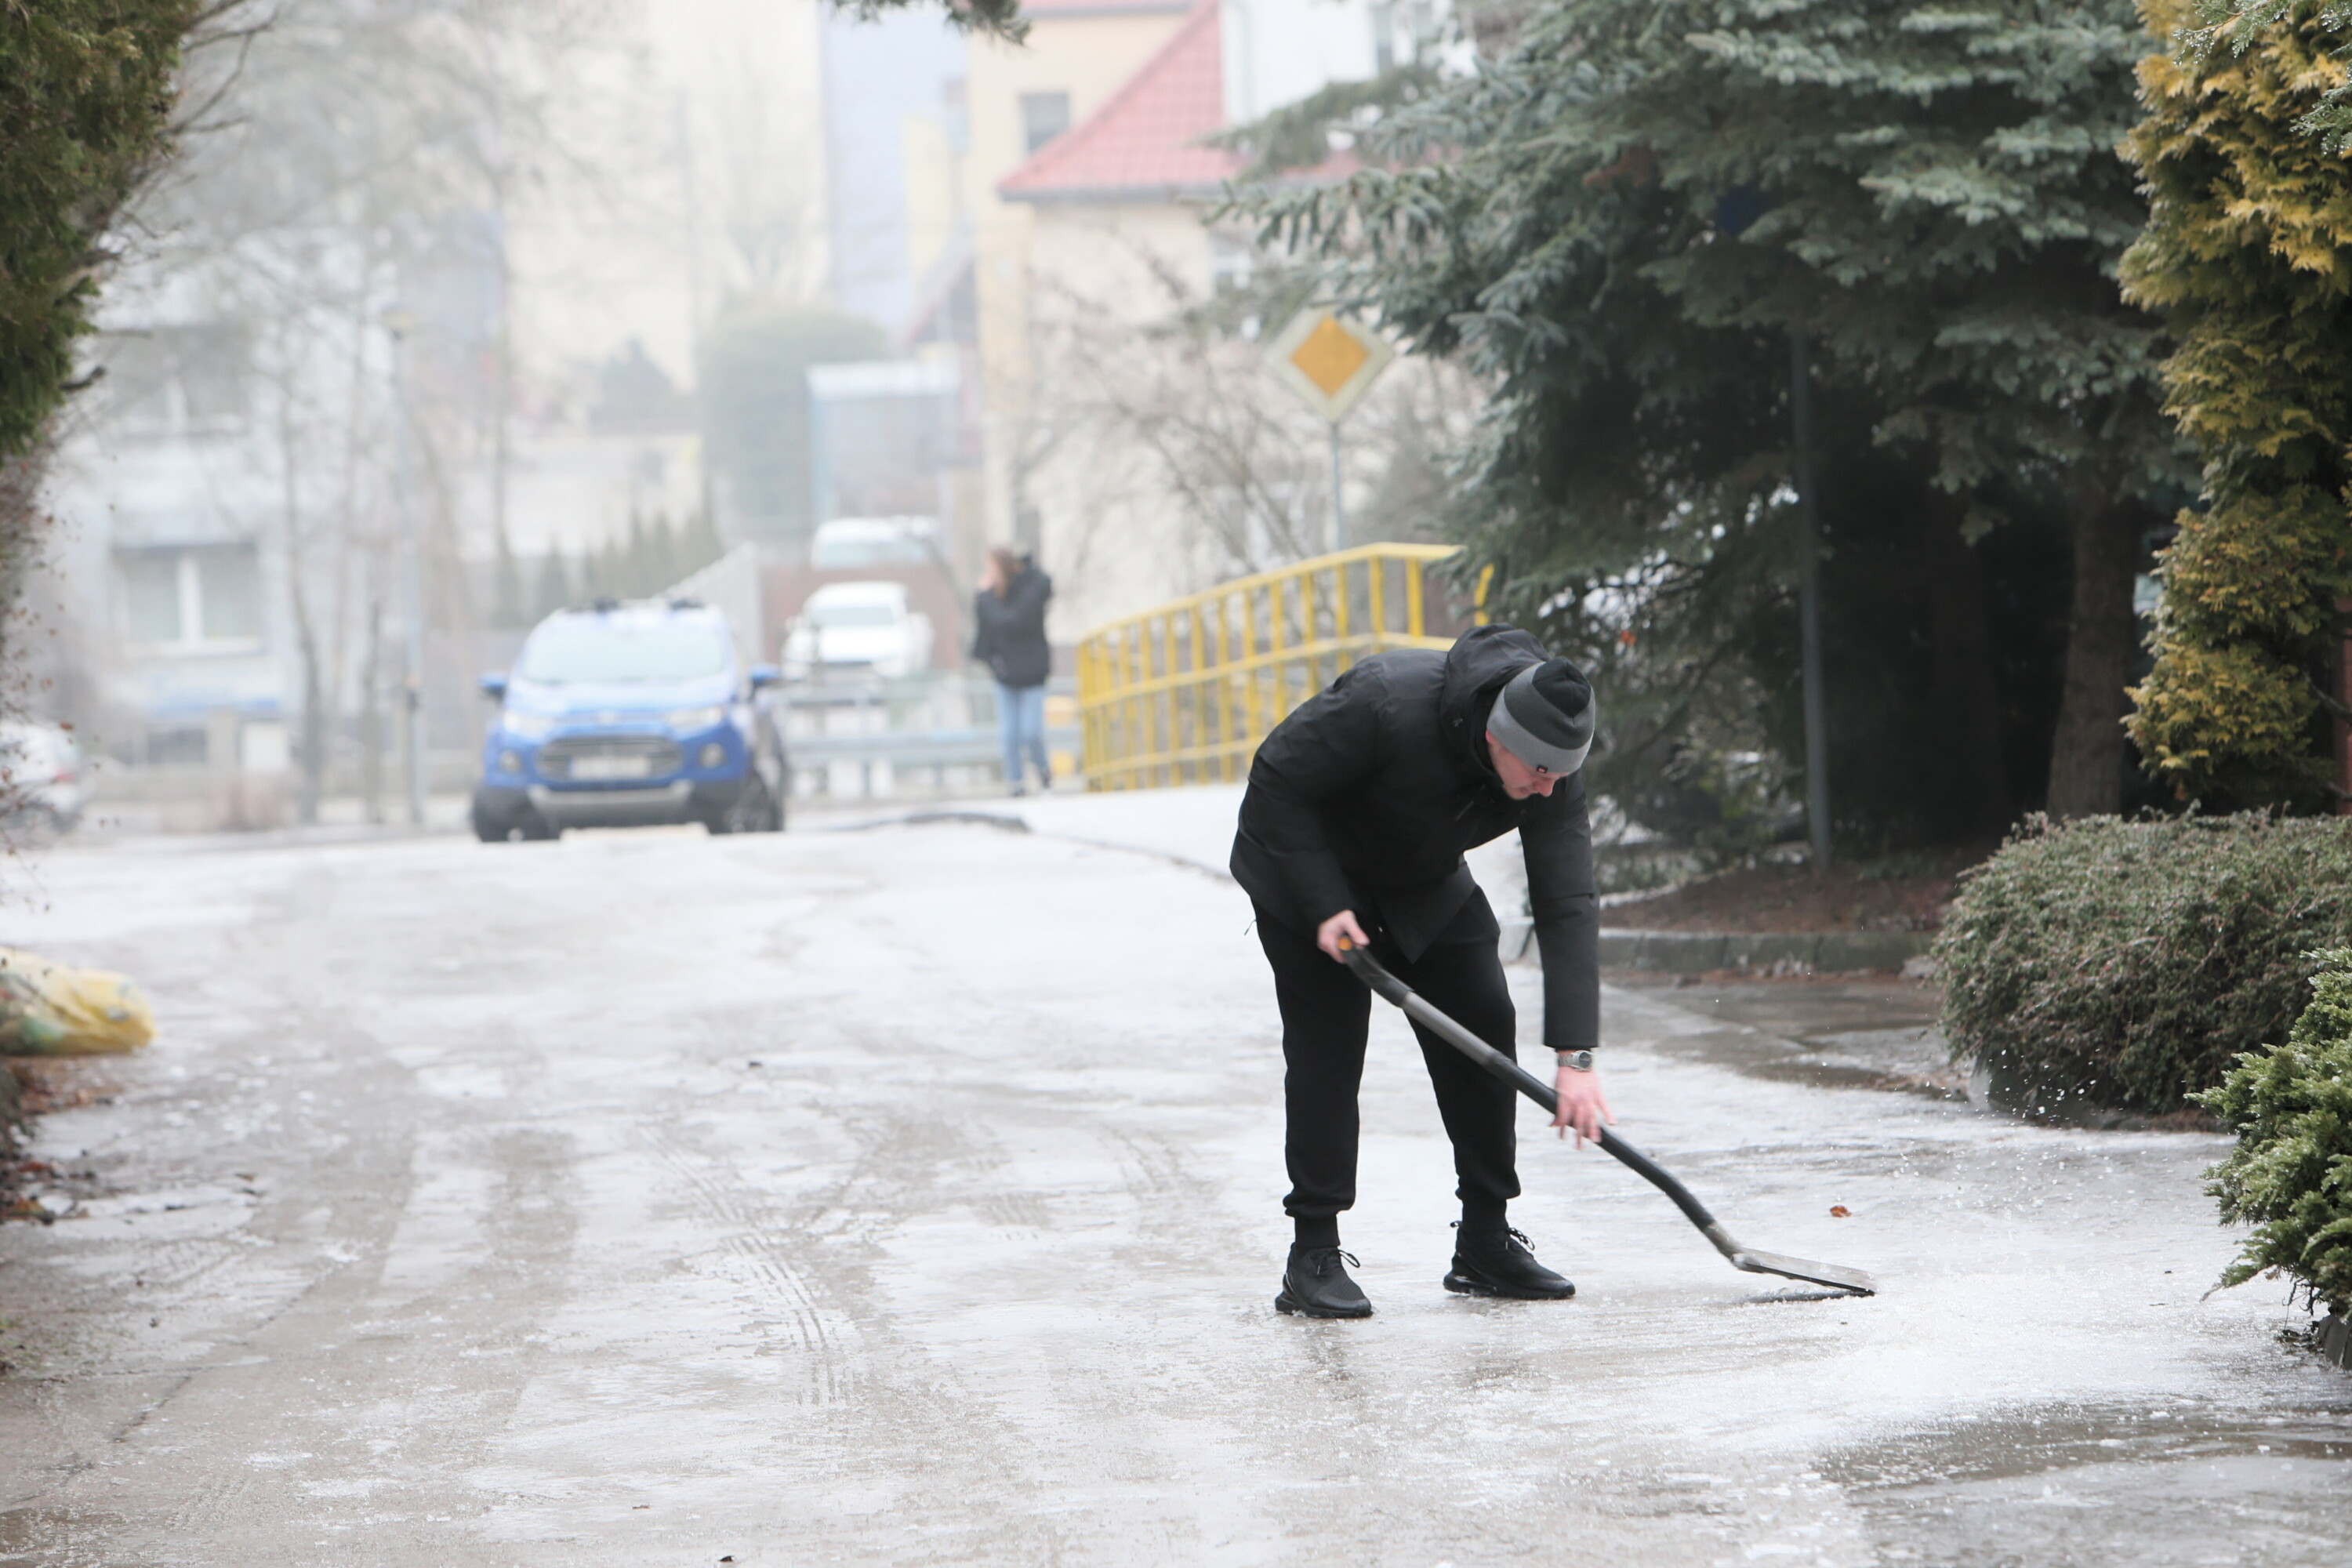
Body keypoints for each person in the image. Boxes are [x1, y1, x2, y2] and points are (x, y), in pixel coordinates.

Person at [1229, 623, 1609, 1318]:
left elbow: (1568, 900)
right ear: (1497, 735)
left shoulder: (1549, 764)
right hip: (1308, 872)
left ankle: (1485, 1240)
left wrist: (1575, 1055)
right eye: (1538, 774)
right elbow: (1276, 781)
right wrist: (1324, 904)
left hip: (1420, 876)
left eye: (1560, 775)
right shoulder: (1385, 704)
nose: (1548, 790)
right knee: (1328, 1047)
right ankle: (1312, 1251)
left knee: (1484, 1016)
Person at [972, 548, 1054, 796]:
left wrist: (1025, 567)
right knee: (1009, 734)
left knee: (1031, 732)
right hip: (1005, 675)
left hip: (1032, 675)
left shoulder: (1027, 593)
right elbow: (985, 632)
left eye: (992, 569)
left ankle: (1043, 771)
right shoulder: (991, 598)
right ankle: (1016, 782)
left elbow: (1011, 619)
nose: (988, 575)